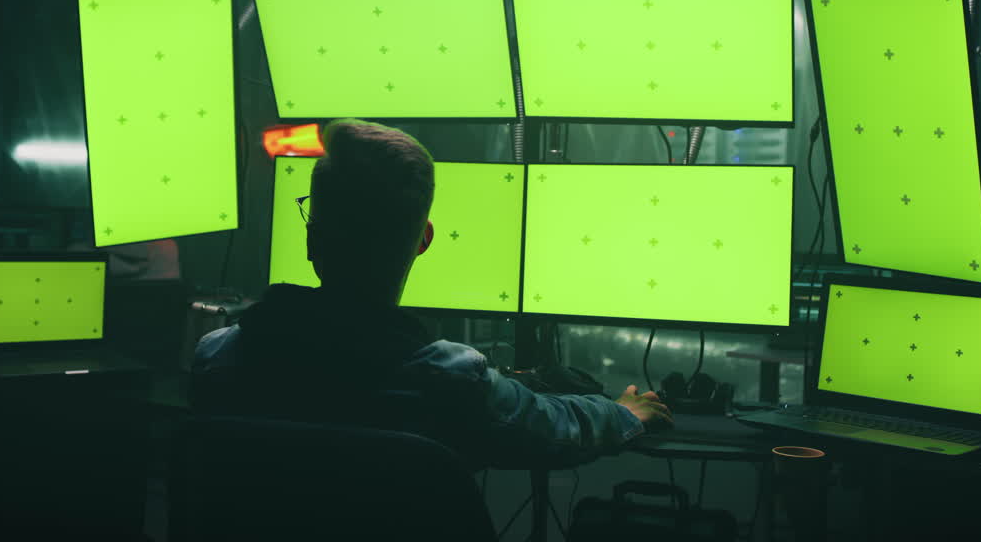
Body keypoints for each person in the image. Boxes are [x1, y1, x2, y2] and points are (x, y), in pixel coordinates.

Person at [192, 119, 671, 469]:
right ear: (424, 240)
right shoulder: (449, 379)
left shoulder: (218, 357)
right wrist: (623, 414)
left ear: (312, 238)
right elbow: (557, 427)